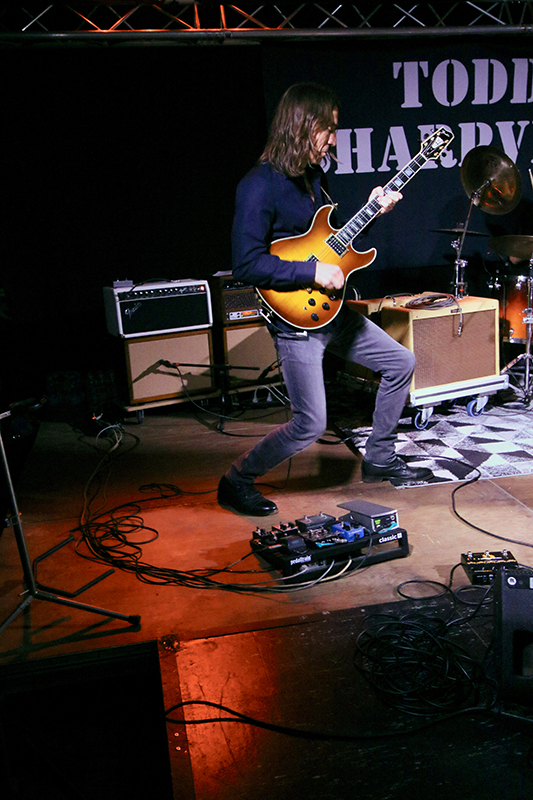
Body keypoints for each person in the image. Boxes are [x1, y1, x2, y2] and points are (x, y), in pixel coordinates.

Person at [217, 82, 433, 516]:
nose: (333, 139)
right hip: (295, 320)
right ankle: (235, 480)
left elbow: (333, 245)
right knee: (310, 423)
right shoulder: (258, 185)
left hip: (331, 311)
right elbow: (246, 265)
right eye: (327, 129)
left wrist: (372, 210)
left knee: (401, 363)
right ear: (300, 125)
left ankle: (379, 457)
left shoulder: (314, 178)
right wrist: (312, 272)